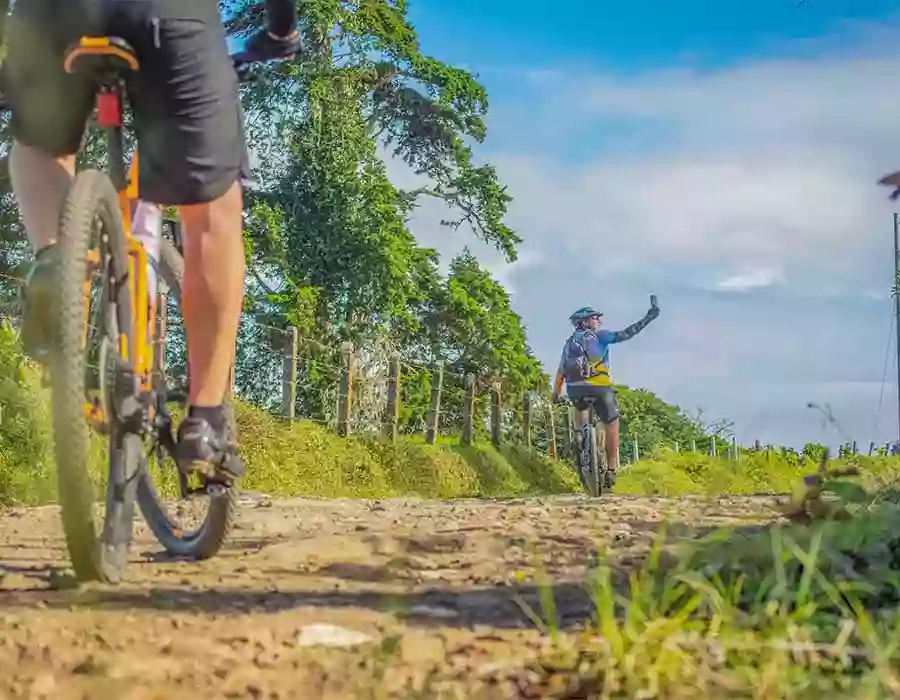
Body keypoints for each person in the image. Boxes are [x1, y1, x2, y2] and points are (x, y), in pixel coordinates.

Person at [0, 0, 301, 482]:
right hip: (170, 15)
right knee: (212, 209)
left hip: (54, 13)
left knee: (38, 148)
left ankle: (58, 266)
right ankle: (207, 423)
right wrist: (281, 32)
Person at [551, 300, 660, 480]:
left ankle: (579, 434)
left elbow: (561, 370)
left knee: (580, 407)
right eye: (595, 318)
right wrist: (649, 317)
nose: (599, 321)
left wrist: (556, 393)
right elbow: (627, 333)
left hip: (575, 389)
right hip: (600, 387)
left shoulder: (569, 343)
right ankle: (611, 470)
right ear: (584, 322)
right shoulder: (601, 336)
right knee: (612, 423)